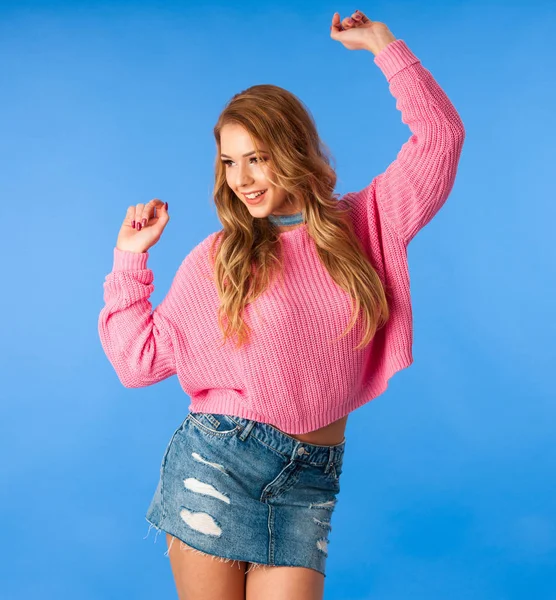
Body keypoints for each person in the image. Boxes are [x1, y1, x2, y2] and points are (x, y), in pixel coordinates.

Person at [98, 8, 465, 600]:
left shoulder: (367, 222)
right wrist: (128, 259)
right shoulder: (220, 256)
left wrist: (383, 46)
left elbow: (441, 138)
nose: (241, 178)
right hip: (218, 465)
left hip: (311, 481)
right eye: (228, 162)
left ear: (291, 150)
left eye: (256, 157)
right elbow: (137, 362)